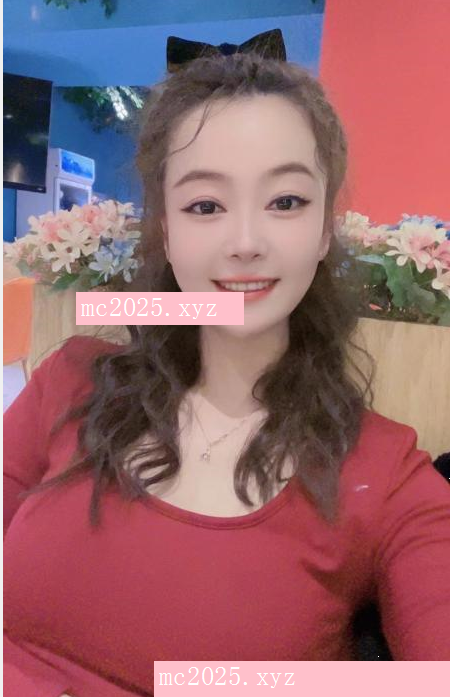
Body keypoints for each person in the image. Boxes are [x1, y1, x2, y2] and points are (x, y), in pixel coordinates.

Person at [4, 53, 450, 696]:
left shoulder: (385, 476)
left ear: (324, 229)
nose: (245, 240)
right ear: (166, 230)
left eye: (285, 201)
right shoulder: (71, 380)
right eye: (206, 204)